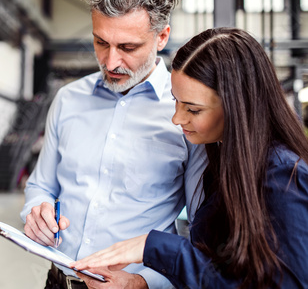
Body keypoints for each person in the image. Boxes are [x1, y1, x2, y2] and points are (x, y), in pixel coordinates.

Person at [71, 28, 308, 289]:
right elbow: (222, 271)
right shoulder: (224, 160)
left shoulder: (284, 179)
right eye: (176, 102)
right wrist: (137, 283)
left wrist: (158, 248)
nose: (177, 119)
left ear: (237, 107)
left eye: (193, 109)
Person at [20, 0, 207, 289]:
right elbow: (41, 185)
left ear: (162, 37)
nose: (110, 62)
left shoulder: (185, 113)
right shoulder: (68, 100)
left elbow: (202, 231)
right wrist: (38, 211)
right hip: (58, 281)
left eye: (128, 47)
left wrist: (141, 282)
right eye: (100, 42)